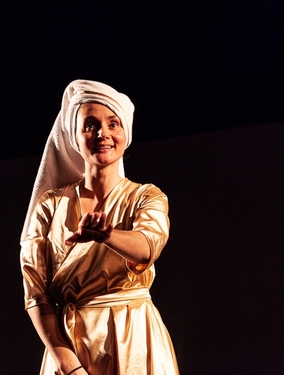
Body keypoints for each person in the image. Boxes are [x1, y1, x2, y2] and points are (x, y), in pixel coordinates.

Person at [20, 80, 179, 375]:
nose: (102, 133)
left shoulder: (146, 196)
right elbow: (36, 294)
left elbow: (147, 247)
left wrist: (106, 235)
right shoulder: (50, 205)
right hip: (68, 345)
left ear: (125, 133)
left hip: (134, 339)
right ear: (75, 136)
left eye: (113, 124)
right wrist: (68, 365)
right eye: (90, 125)